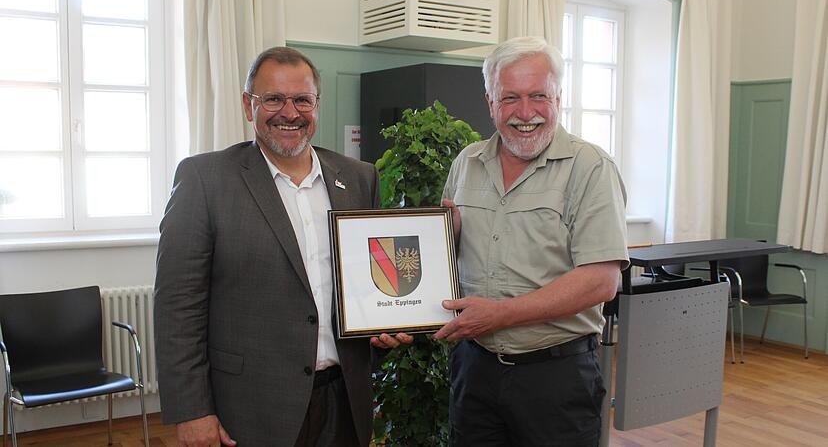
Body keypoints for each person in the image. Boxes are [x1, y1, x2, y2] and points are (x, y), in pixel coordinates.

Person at [154, 46, 412, 447]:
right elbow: (177, 307)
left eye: (302, 100)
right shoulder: (205, 180)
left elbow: (368, 283)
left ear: (316, 104)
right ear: (248, 105)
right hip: (251, 407)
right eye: (273, 99)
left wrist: (385, 326)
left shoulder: (359, 178)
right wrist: (191, 411)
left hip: (343, 399)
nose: (289, 113)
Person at [435, 36, 629, 446]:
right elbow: (447, 257)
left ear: (559, 97)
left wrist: (501, 315)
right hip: (474, 369)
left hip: (555, 378)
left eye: (539, 96)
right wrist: (444, 237)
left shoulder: (590, 167)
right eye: (510, 98)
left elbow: (600, 281)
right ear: (490, 102)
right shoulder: (466, 163)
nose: (526, 113)